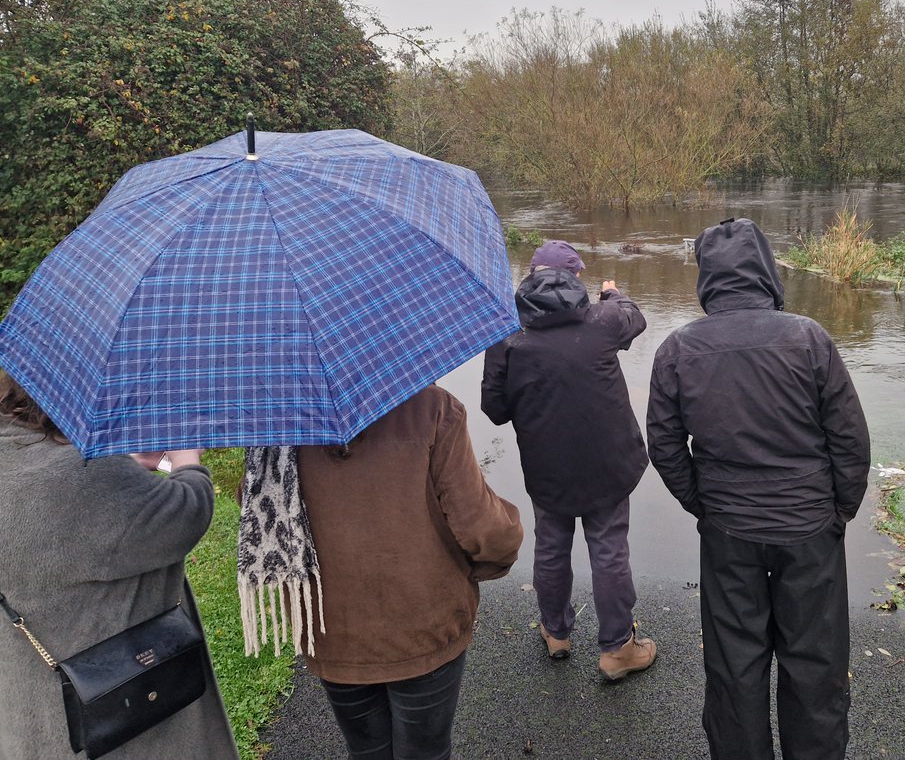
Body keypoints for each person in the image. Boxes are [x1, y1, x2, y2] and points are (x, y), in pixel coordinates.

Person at [646, 217, 870, 760]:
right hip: (807, 524)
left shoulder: (678, 349)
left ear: (707, 280)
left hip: (730, 527)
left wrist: (704, 505)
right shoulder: (807, 337)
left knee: (734, 663)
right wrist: (839, 508)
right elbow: (849, 437)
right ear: (767, 272)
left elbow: (665, 445)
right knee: (815, 662)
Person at [237, 384, 524, 760]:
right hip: (425, 622)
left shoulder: (276, 420)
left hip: (332, 628)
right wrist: (489, 558)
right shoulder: (430, 407)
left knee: (366, 751)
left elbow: (256, 509)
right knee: (426, 752)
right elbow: (482, 528)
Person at [0, 370, 238, 760]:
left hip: (33, 718)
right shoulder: (84, 476)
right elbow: (185, 513)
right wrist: (186, 457)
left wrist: (124, 464)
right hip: (134, 720)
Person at [481, 239, 656, 680]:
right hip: (609, 465)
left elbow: (495, 410)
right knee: (609, 548)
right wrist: (613, 294)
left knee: (552, 545)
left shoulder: (507, 333)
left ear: (531, 276)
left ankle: (556, 632)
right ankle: (618, 649)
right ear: (578, 277)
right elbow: (636, 317)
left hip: (548, 468)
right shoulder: (602, 320)